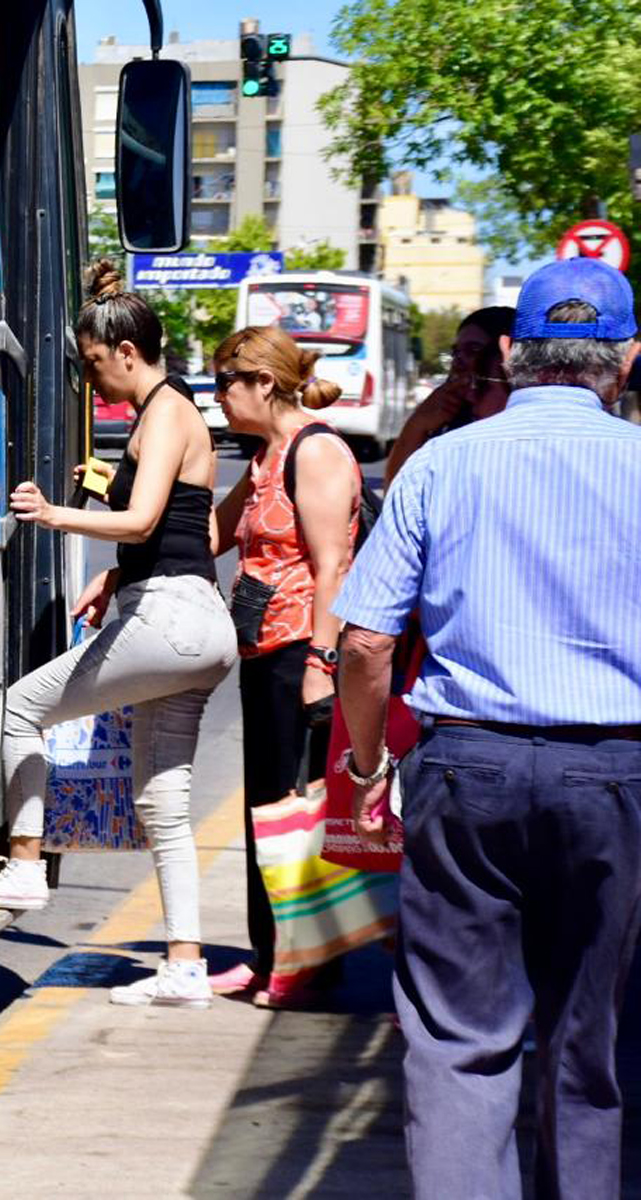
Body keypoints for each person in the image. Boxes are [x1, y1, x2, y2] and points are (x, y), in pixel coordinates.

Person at [336, 258, 641, 1199]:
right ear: (626, 359)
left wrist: (368, 758)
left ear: (513, 353)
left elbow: (362, 645)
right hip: (622, 776)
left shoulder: (443, 463)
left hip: (468, 769)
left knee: (461, 1041)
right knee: (596, 1038)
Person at [0, 260, 237, 1009]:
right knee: (163, 801)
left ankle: (27, 860)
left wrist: (55, 513)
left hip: (168, 618)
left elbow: (140, 521)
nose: (94, 383)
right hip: (196, 626)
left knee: (20, 709)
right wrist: (114, 570)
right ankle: (185, 963)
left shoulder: (163, 413)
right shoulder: (173, 408)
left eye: (96, 366)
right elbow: (172, 524)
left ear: (128, 354)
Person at [206, 325, 360, 1006]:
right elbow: (217, 533)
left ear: (264, 383)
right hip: (261, 651)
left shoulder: (316, 451)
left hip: (301, 650)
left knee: (299, 812)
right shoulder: (265, 455)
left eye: (225, 385)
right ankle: (269, 954)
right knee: (266, 809)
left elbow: (334, 565)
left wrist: (322, 663)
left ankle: (307, 962)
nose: (219, 400)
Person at [383, 306, 516, 484]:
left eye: (473, 350)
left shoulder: (526, 432)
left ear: (508, 355)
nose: (459, 362)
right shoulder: (449, 424)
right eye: (456, 352)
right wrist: (418, 424)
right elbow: (397, 493)